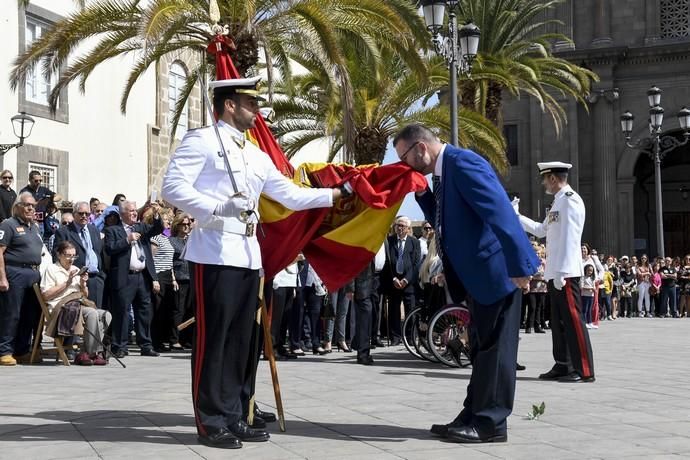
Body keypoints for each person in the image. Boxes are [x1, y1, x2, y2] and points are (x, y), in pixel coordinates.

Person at [161, 76, 348, 449]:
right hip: (213, 251)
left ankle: (233, 414)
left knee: (239, 342)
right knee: (213, 340)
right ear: (229, 104)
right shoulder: (202, 140)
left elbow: (291, 195)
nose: (257, 111)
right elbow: (171, 187)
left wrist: (338, 194)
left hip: (248, 256)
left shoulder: (255, 153)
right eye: (251, 104)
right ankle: (210, 420)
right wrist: (217, 207)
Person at [394, 124, 538, 444]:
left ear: (420, 148)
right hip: (477, 276)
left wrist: (521, 265)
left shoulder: (464, 163)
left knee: (496, 351)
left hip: (497, 272)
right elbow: (445, 222)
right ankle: (473, 413)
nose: (405, 165)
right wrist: (422, 195)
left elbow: (500, 212)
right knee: (482, 349)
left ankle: (490, 423)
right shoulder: (442, 175)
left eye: (405, 157)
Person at [516, 161, 595, 383]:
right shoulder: (558, 201)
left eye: (544, 179)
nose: (543, 184)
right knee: (558, 321)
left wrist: (562, 272)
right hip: (556, 272)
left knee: (573, 321)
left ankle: (584, 370)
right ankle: (563, 365)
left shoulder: (570, 200)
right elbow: (541, 231)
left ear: (552, 178)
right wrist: (517, 217)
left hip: (566, 272)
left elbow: (570, 238)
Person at [104, 200, 163, 358]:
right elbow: (109, 249)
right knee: (122, 312)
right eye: (130, 211)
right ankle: (120, 346)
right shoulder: (113, 230)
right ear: (122, 213)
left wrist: (156, 214)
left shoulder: (141, 227)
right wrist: (127, 240)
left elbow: (158, 228)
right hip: (125, 277)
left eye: (135, 210)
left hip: (142, 277)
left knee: (144, 311)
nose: (134, 213)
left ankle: (145, 345)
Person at [40, 241, 111, 366]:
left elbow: (85, 295)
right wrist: (67, 283)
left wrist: (83, 284)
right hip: (61, 306)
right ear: (59, 255)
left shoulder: (76, 269)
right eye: (68, 255)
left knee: (106, 315)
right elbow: (46, 295)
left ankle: (84, 352)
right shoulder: (52, 269)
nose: (71, 259)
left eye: (74, 256)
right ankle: (92, 353)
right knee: (92, 313)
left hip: (78, 303)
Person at [0, 192, 43, 366]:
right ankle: (5, 351)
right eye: (27, 205)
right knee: (12, 314)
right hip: (15, 273)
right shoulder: (8, 225)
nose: (31, 208)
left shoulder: (35, 227)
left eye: (33, 205)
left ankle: (22, 350)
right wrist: (2, 277)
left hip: (33, 274)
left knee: (30, 314)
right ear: (18, 207)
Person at [52, 202, 106, 307]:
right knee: (79, 315)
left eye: (87, 213)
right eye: (81, 213)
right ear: (74, 214)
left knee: (96, 313)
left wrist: (101, 276)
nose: (84, 216)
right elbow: (57, 256)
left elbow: (98, 252)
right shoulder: (64, 232)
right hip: (76, 280)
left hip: (96, 278)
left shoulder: (93, 230)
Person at [381, 216, 421, 346]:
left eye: (403, 226)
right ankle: (395, 337)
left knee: (411, 310)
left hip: (408, 283)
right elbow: (386, 262)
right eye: (398, 225)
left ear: (408, 228)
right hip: (393, 282)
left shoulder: (414, 242)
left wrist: (406, 279)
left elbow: (416, 263)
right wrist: (393, 278)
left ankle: (410, 336)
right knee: (394, 310)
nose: (400, 228)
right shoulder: (389, 241)